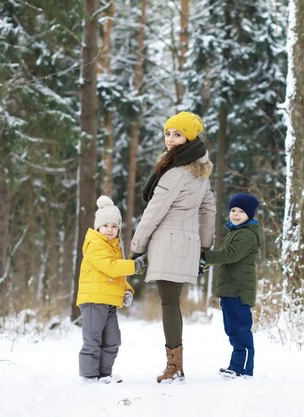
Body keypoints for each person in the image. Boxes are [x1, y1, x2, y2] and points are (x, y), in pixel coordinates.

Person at [130, 111, 216, 383]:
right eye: (167, 133)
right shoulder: (200, 170)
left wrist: (136, 246)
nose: (170, 139)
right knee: (172, 304)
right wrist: (203, 247)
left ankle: (174, 366)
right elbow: (208, 209)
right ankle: (175, 365)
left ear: (189, 137)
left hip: (168, 244)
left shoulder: (176, 172)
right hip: (187, 244)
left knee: (169, 304)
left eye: (177, 134)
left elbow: (154, 212)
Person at [76, 195, 147, 384]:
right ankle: (89, 376)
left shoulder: (114, 246)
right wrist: (135, 265)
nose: (110, 230)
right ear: (98, 226)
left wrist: (127, 290)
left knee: (113, 340)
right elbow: (111, 267)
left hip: (108, 301)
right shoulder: (95, 244)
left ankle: (104, 374)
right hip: (93, 299)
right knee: (93, 340)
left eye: (114, 226)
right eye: (106, 225)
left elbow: (116, 276)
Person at [201, 192, 262, 378]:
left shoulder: (247, 235)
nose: (235, 214)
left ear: (249, 215)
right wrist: (204, 264)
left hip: (239, 290)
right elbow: (227, 256)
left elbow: (230, 255)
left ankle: (243, 369)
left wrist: (204, 256)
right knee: (232, 330)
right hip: (230, 290)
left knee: (240, 330)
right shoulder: (236, 232)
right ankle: (236, 366)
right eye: (233, 210)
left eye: (241, 211)